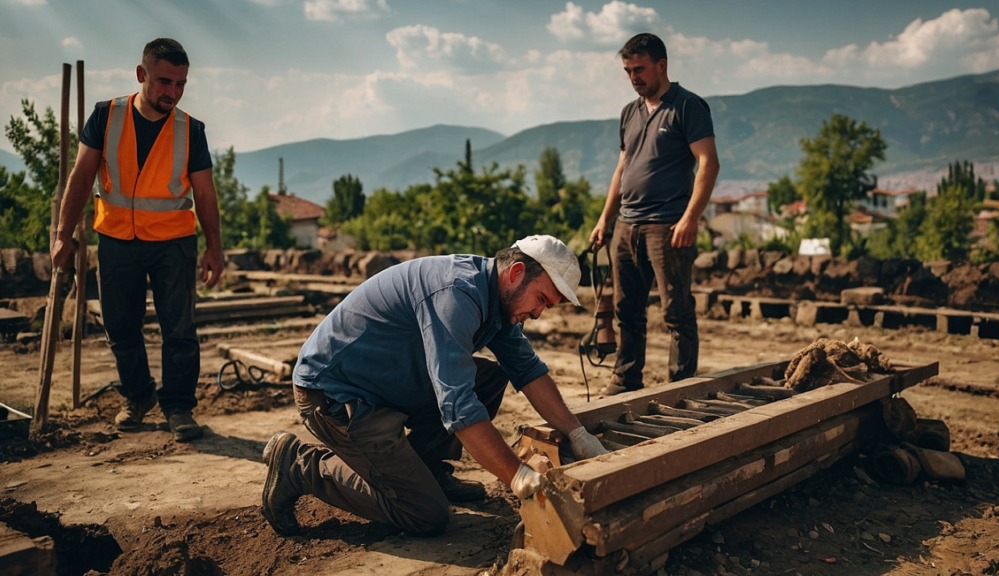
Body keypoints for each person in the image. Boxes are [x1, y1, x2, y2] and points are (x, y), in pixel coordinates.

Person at [262, 235, 608, 537]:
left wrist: (578, 434)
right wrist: (517, 475)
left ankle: (428, 470)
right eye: (542, 299)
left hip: (384, 382)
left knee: (487, 376)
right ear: (516, 273)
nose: (538, 314)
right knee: (425, 514)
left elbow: (528, 371)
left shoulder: (497, 300)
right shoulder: (457, 293)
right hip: (337, 394)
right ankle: (299, 465)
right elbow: (457, 405)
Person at [51, 38, 224, 442]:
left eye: (181, 84)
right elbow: (79, 180)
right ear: (141, 75)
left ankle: (178, 407)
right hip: (115, 238)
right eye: (165, 81)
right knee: (119, 326)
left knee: (179, 330)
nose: (173, 92)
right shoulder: (105, 116)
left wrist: (215, 247)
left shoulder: (191, 130)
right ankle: (139, 396)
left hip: (174, 242)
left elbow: (205, 194)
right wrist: (63, 234)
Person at [589, 32, 720, 396]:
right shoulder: (629, 112)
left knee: (676, 311)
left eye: (640, 69)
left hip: (667, 225)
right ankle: (626, 380)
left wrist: (690, 218)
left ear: (661, 65)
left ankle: (680, 386)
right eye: (628, 71)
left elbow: (708, 163)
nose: (634, 78)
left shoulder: (687, 106)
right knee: (626, 310)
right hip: (626, 226)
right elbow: (621, 170)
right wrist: (605, 220)